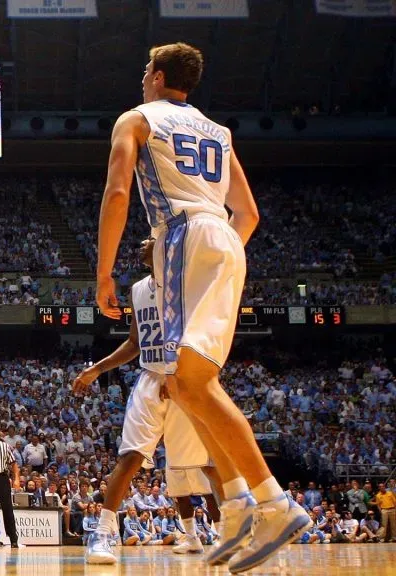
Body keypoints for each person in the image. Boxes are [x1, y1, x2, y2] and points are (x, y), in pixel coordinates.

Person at [94, 42, 309, 573]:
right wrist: (221, 253)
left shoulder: (137, 118)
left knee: (189, 383)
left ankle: (273, 503)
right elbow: (250, 213)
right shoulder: (219, 130)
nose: (142, 77)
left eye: (146, 69)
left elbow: (118, 192)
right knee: (187, 382)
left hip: (183, 237)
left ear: (158, 75)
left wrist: (102, 273)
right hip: (224, 239)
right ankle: (236, 506)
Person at [75, 238, 222, 564]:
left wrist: (179, 372)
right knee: (130, 456)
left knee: (207, 463)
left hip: (184, 379)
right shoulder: (140, 289)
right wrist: (96, 370)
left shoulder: (187, 283)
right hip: (151, 378)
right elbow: (134, 342)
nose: (144, 242)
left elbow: (201, 333)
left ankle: (227, 531)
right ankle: (103, 533)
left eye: (152, 240)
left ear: (166, 250)